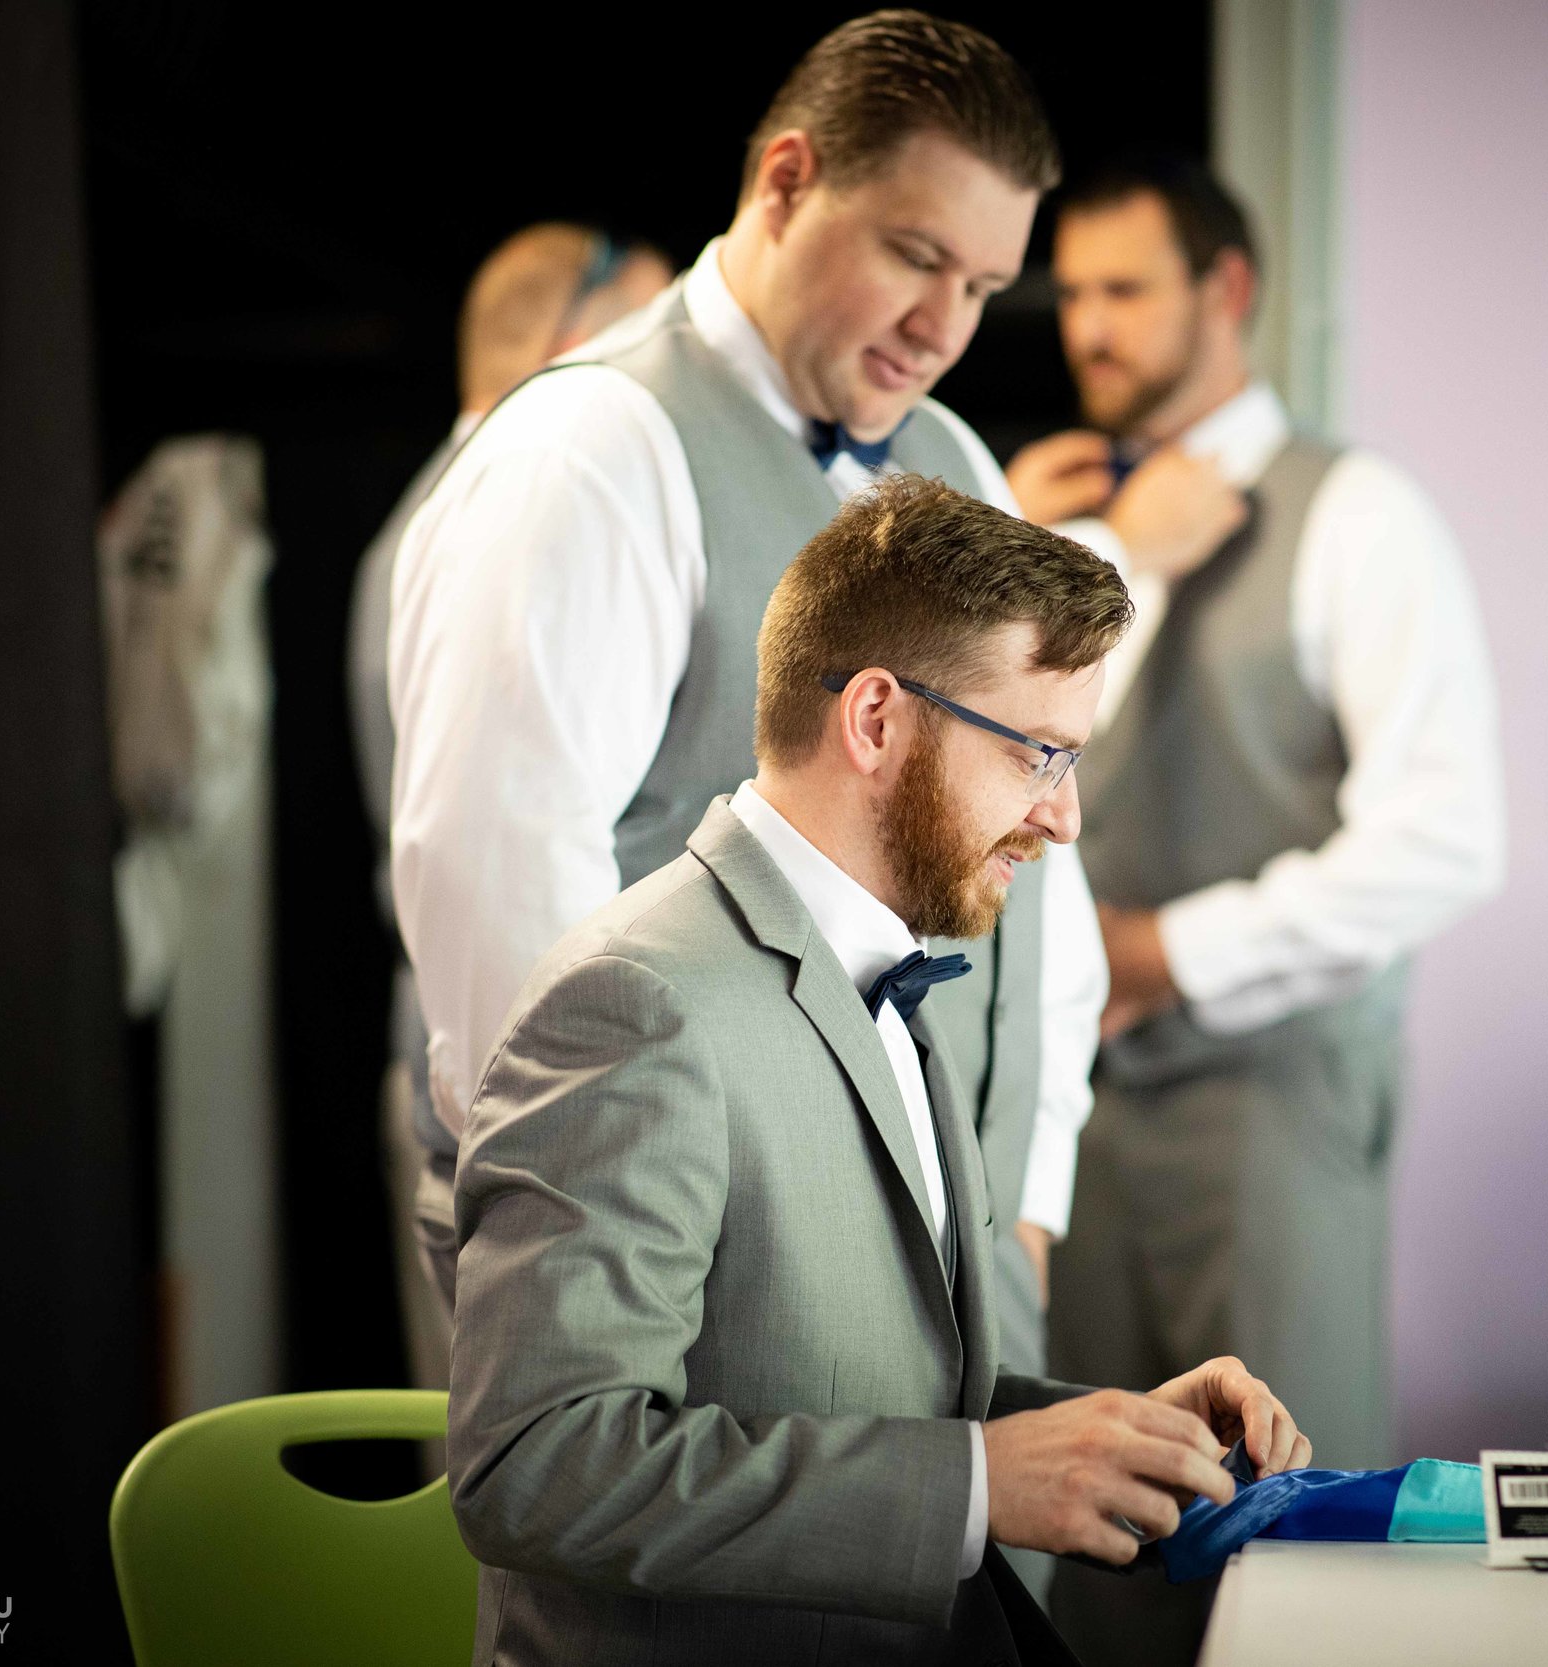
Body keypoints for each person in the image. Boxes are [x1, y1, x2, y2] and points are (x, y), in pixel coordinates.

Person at [446, 472, 1312, 1665]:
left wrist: (1097, 1433)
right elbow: (536, 1463)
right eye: (1040, 755)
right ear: (874, 720)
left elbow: (844, 1393)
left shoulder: (886, 960)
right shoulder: (635, 1002)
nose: (1061, 821)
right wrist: (971, 1485)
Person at [390, 11, 1103, 1410]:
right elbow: (501, 894)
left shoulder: (957, 458)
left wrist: (1028, 1187)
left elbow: (1039, 854)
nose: (944, 326)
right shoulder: (592, 448)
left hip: (964, 1251)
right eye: (915, 255)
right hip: (708, 1257)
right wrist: (604, 1239)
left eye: (984, 282)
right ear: (785, 181)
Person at [1005, 153, 1507, 1664]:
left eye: (1125, 289)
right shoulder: (1045, 512)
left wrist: (1171, 951)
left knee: (1290, 1520)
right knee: (1085, 1501)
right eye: (1073, 290)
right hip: (1068, 1101)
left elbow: (1446, 835)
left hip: (1269, 1095)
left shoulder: (1358, 513)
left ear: (1225, 291)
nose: (1088, 325)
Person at [349, 223, 670, 1387]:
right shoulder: (503, 511)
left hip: (485, 1083)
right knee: (509, 1495)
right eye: (654, 327)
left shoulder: (440, 507)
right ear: (579, 343)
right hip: (499, 1103)